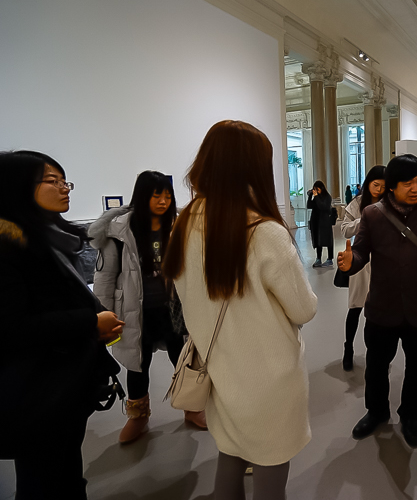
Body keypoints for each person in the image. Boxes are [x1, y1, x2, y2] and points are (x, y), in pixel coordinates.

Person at [163, 120, 318, 500]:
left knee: (231, 453)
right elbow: (303, 309)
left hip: (220, 370)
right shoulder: (264, 232)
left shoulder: (184, 224)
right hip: (270, 377)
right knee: (271, 462)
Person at [0, 151, 124, 499]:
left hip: (65, 381)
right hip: (38, 388)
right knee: (44, 481)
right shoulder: (8, 248)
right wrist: (89, 322)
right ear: (17, 186)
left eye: (64, 180)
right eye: (51, 181)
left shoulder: (50, 238)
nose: (64, 188)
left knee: (65, 472)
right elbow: (9, 328)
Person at [337, 154, 417, 448]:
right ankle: (376, 411)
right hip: (383, 306)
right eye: (408, 183)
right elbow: (361, 252)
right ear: (392, 185)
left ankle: (410, 416)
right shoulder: (373, 214)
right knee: (376, 366)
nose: (416, 188)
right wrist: (350, 262)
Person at [90, 171, 206, 444]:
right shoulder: (119, 232)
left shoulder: (180, 226)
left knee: (184, 358)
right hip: (135, 310)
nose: (164, 201)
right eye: (157, 196)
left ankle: (191, 407)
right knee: (138, 364)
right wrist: (104, 314)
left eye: (167, 195)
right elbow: (105, 276)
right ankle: (138, 416)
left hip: (173, 308)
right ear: (143, 196)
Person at [340, 165, 386, 371]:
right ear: (368, 184)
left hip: (382, 263)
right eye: (376, 185)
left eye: (383, 186)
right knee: (355, 307)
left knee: (376, 311)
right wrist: (364, 219)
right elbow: (344, 230)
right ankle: (348, 348)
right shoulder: (357, 203)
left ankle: (374, 353)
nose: (379, 190)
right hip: (359, 261)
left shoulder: (390, 204)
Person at [308, 180, 334, 268]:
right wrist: (310, 196)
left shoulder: (327, 197)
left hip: (325, 221)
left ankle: (330, 259)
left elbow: (323, 206)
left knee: (328, 240)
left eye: (317, 189)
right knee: (318, 240)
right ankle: (318, 258)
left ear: (322, 188)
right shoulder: (316, 197)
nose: (316, 191)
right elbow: (309, 206)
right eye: (315, 189)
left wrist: (316, 197)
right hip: (316, 221)